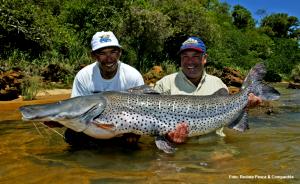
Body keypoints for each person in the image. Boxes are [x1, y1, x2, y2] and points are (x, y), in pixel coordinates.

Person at [154, 36, 262, 143]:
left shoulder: (218, 84)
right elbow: (154, 128)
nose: (190, 61)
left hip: (215, 150)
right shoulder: (164, 85)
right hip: (179, 152)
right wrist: (166, 138)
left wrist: (246, 106)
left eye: (195, 56)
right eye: (185, 57)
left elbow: (230, 119)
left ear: (204, 58)